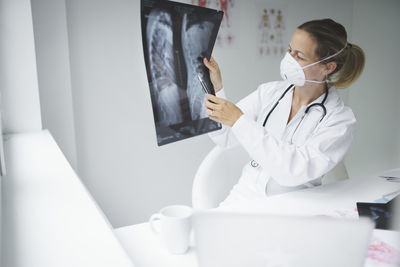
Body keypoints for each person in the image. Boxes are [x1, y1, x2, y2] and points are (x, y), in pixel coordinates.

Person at [202, 18, 365, 206]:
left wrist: (239, 120)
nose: (289, 60)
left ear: (328, 67)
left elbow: (293, 171)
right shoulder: (269, 93)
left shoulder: (339, 120)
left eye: (300, 56)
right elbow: (226, 137)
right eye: (290, 51)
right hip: (244, 197)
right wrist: (216, 89)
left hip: (292, 208)